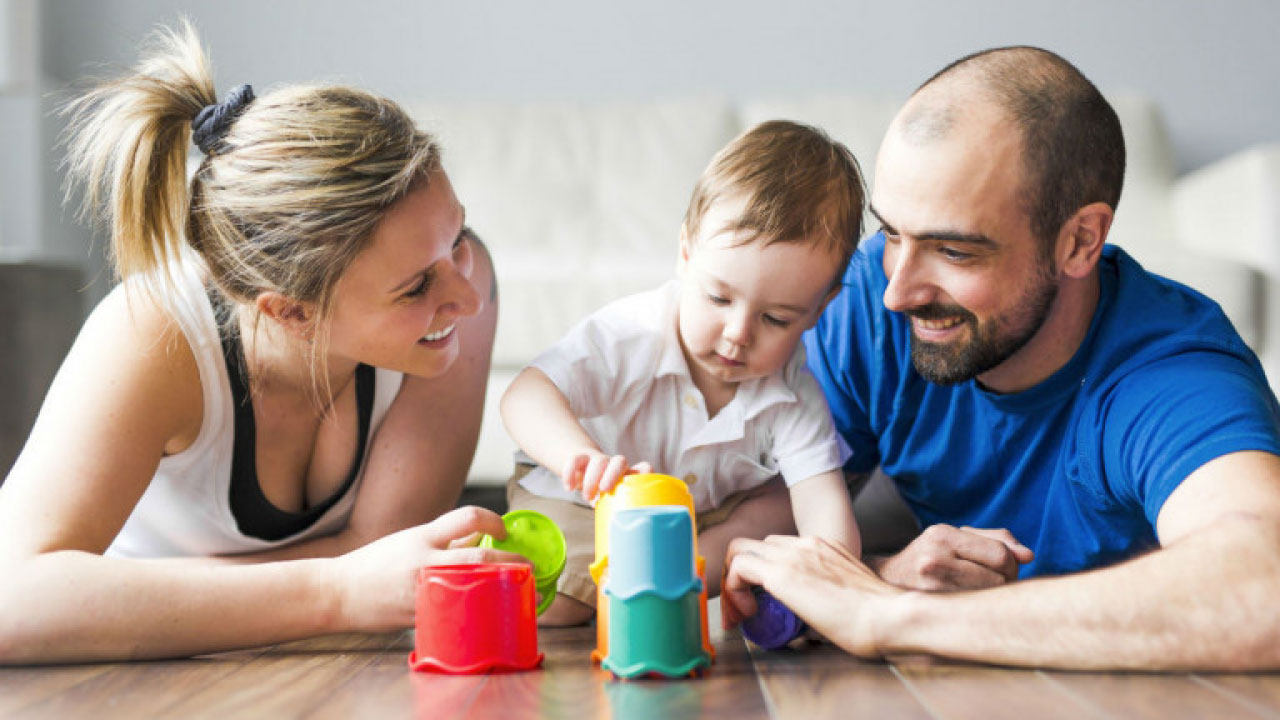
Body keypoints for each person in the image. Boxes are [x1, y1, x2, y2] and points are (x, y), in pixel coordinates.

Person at [723, 46, 1280, 671]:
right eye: (892, 234)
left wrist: (888, 615)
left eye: (954, 252)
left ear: (1079, 241)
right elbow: (745, 530)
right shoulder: (866, 308)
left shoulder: (1170, 372)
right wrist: (882, 575)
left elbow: (1266, 587)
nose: (897, 291)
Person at [0, 22, 525, 664]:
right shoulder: (153, 332)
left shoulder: (462, 297)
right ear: (292, 313)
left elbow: (388, 553)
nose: (466, 299)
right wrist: (335, 591)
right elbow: (13, 597)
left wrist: (129, 592)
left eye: (459, 238)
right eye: (416, 286)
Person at [501, 121, 866, 626]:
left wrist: (836, 585)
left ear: (820, 309)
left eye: (777, 319)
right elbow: (525, 394)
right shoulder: (633, 335)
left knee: (782, 505)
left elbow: (823, 503)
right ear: (686, 254)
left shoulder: (791, 393)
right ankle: (664, 576)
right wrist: (580, 457)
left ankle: (681, 571)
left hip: (700, 514)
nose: (738, 333)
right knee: (555, 604)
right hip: (588, 505)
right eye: (718, 298)